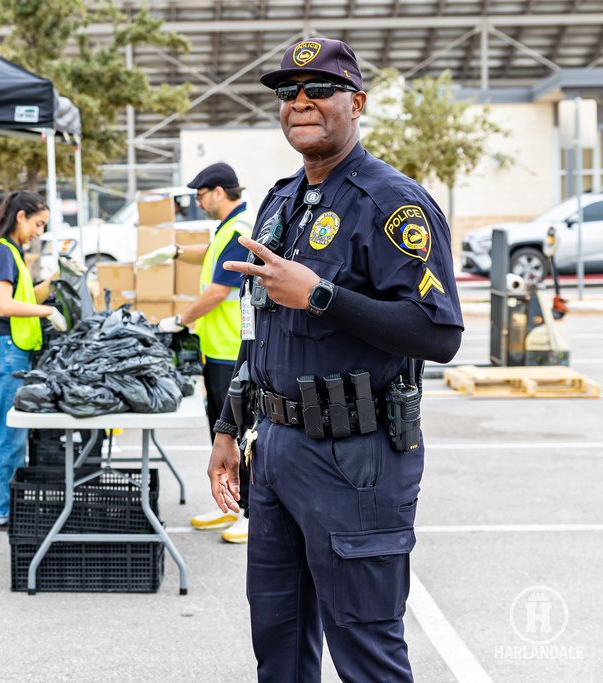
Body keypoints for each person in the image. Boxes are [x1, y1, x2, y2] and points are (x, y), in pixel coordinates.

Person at [207, 39, 463, 681]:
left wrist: (321, 295)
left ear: (356, 101)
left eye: (318, 89)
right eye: (288, 93)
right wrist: (227, 429)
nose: (300, 102)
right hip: (277, 453)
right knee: (280, 643)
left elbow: (439, 334)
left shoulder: (392, 204)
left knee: (366, 651)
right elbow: (259, 329)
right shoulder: (279, 201)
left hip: (356, 459)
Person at [137, 164, 254, 543]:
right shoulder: (228, 228)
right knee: (223, 433)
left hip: (231, 349)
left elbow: (219, 290)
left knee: (241, 435)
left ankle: (250, 512)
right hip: (217, 348)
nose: (198, 202)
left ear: (218, 192)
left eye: (200, 195)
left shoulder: (239, 229)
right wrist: (173, 252)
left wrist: (180, 319)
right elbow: (211, 255)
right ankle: (232, 505)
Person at [0, 191, 68, 530]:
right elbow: (5, 305)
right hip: (5, 350)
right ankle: (4, 512)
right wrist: (48, 310)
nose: (39, 231)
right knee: (7, 436)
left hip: (10, 350)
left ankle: (8, 508)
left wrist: (56, 280)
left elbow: (22, 296)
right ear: (21, 216)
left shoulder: (8, 252)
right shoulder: (4, 253)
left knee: (11, 434)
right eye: (38, 223)